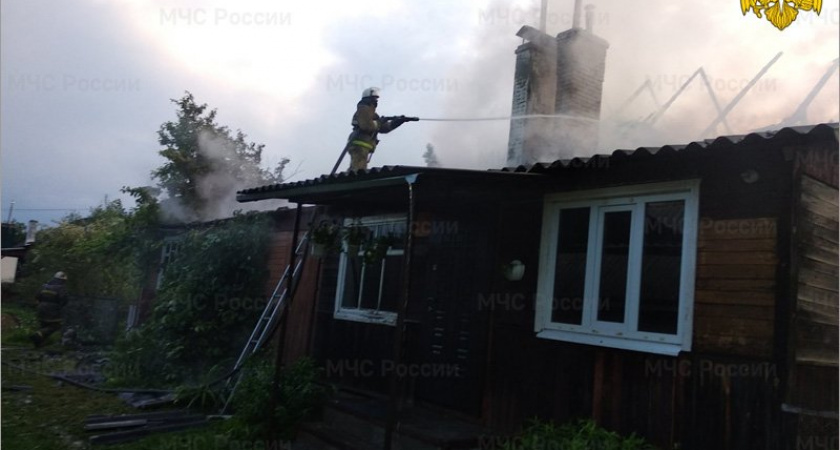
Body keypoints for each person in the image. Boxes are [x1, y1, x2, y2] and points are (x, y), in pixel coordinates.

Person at [345, 87, 407, 171]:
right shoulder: (363, 109)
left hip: (364, 145)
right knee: (357, 171)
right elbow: (366, 126)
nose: (376, 101)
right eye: (374, 98)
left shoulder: (372, 113)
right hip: (359, 144)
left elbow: (383, 128)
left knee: (360, 169)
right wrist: (380, 122)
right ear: (368, 99)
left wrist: (397, 122)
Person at [30, 271, 69, 348]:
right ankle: (38, 334)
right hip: (52, 309)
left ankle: (38, 344)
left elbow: (37, 297)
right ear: (62, 280)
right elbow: (64, 300)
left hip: (41, 308)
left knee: (44, 325)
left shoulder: (45, 286)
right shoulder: (61, 288)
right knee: (56, 326)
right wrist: (61, 307)